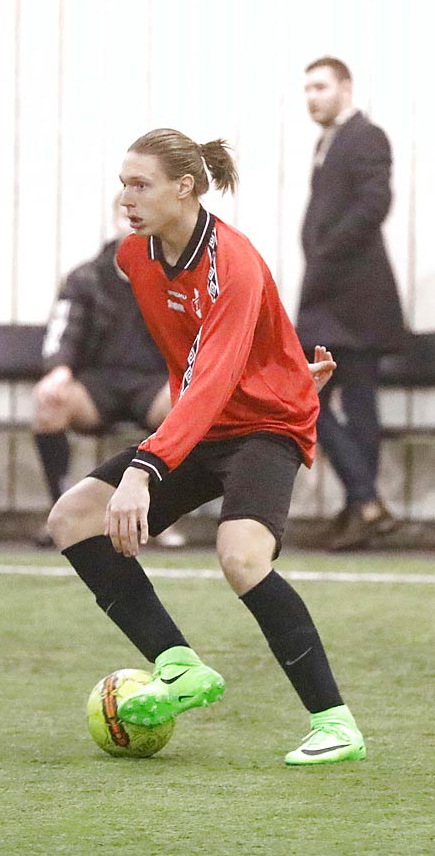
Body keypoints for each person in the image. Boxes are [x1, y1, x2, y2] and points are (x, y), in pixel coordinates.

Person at [45, 129, 364, 765]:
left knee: (240, 556)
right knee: (73, 519)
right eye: (123, 183)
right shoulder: (133, 259)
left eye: (139, 184)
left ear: (184, 188)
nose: (125, 197)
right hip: (208, 421)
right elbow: (207, 360)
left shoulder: (234, 263)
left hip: (266, 423)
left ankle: (335, 724)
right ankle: (179, 666)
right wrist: (281, 362)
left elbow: (214, 374)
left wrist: (144, 468)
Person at [298, 56, 408, 551]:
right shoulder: (330, 141)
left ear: (345, 87)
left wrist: (324, 252)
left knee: (309, 399)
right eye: (307, 89)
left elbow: (374, 202)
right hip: (337, 301)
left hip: (352, 301)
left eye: (320, 86)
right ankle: (361, 507)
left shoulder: (364, 135)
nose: (312, 97)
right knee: (341, 404)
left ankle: (362, 503)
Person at [32, 207, 172, 507]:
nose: (133, 224)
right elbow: (64, 328)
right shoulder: (85, 277)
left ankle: (160, 511)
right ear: (115, 221)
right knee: (48, 404)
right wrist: (58, 370)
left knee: (185, 405)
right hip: (97, 385)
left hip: (154, 383)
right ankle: (61, 509)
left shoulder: (174, 276)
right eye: (126, 215)